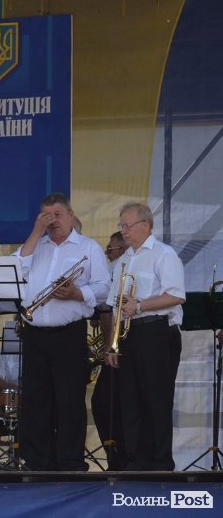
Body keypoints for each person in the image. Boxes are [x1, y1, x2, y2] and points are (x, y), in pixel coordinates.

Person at [16, 193, 110, 471]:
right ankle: (38, 461)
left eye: (57, 215)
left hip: (68, 334)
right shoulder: (35, 246)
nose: (52, 221)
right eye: (46, 216)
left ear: (70, 215)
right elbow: (15, 271)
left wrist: (77, 294)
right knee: (35, 399)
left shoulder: (88, 247)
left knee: (69, 399)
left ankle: (70, 461)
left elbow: (104, 287)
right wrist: (36, 232)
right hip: (34, 334)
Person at [105, 202, 185, 471]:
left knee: (157, 399)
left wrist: (139, 305)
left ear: (146, 225)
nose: (123, 231)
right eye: (121, 225)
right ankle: (136, 461)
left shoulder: (164, 254)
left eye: (128, 225)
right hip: (130, 334)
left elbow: (176, 295)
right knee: (131, 400)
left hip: (157, 331)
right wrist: (113, 343)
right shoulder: (123, 260)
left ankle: (160, 462)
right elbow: (115, 305)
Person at [90, 230, 128, 470]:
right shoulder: (117, 266)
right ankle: (119, 458)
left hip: (120, 348)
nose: (107, 253)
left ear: (122, 250)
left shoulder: (116, 267)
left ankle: (119, 459)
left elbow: (107, 310)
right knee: (109, 403)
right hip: (120, 346)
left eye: (110, 249)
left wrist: (108, 346)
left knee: (105, 403)